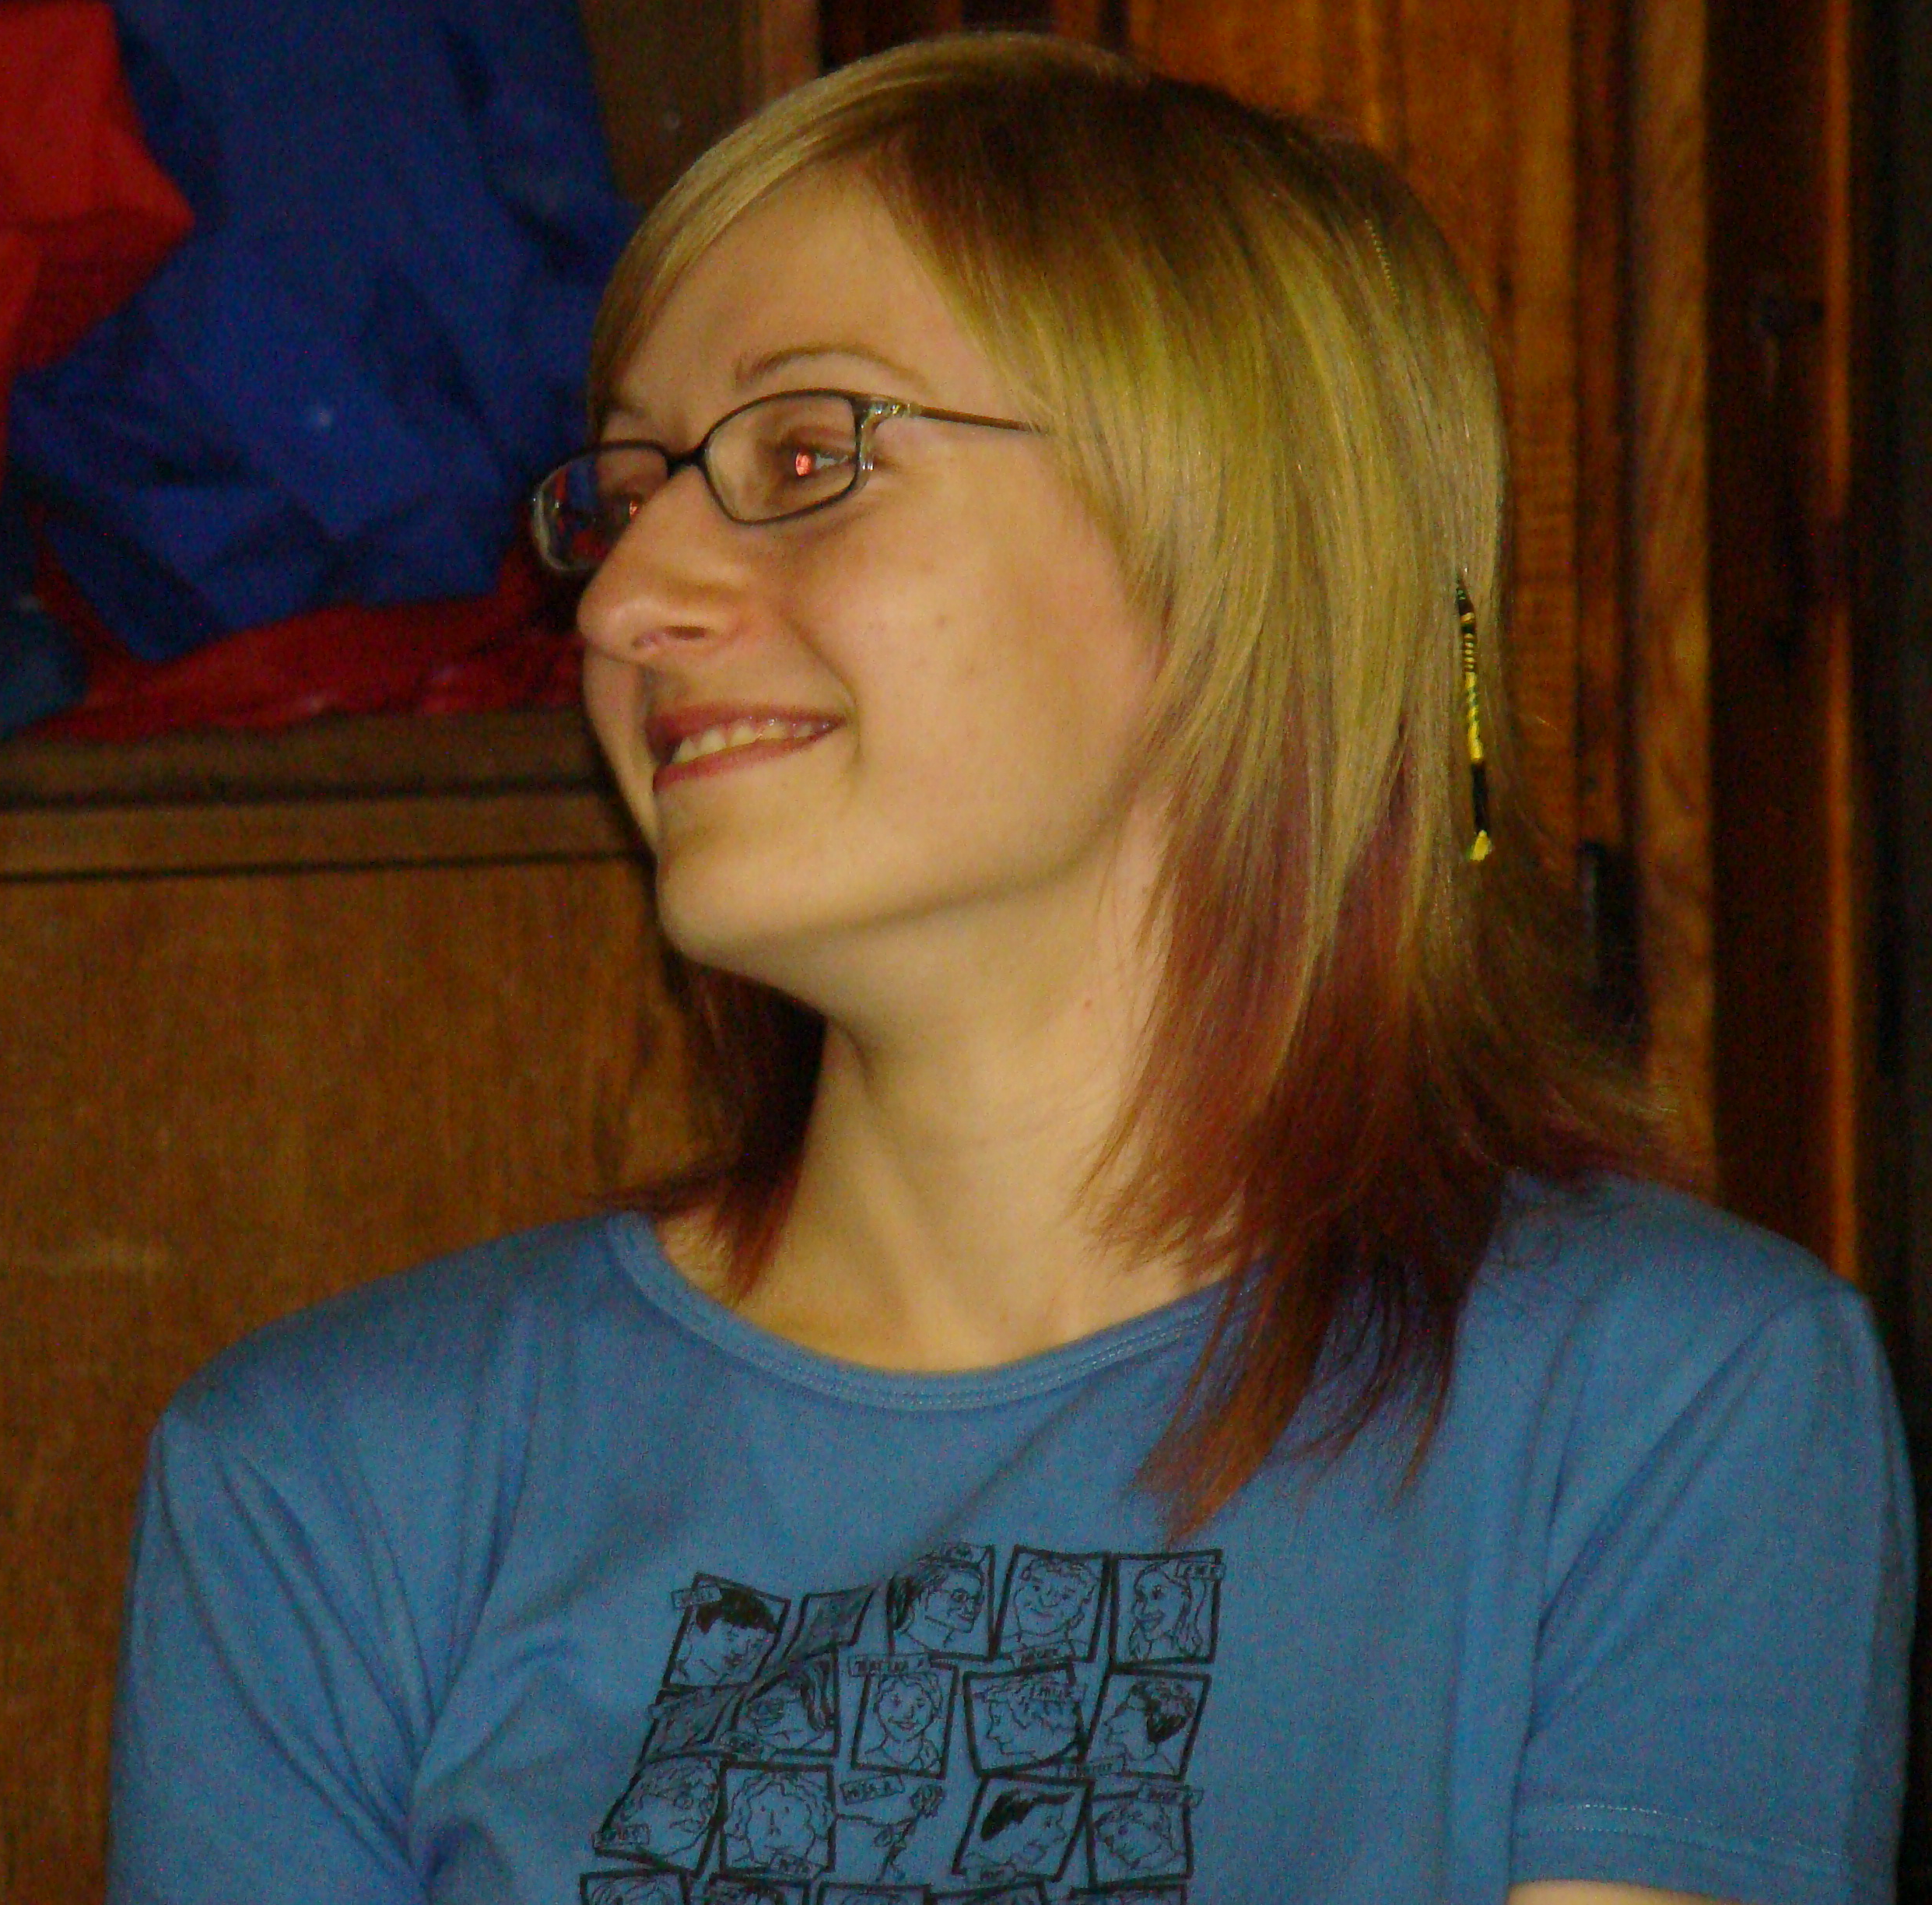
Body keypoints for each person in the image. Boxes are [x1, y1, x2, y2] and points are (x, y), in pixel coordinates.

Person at [104, 33, 1913, 1905]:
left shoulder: (1663, 1402)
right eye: (622, 501)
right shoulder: (326, 1477)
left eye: (808, 456)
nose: (627, 602)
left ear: (1237, 541)